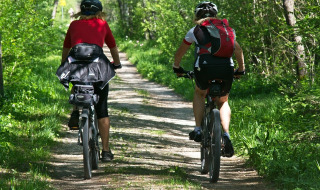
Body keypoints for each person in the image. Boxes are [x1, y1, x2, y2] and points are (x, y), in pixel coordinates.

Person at [173, 1, 245, 157]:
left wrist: (176, 67)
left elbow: (180, 53)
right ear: (215, 15)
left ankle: (198, 129)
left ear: (197, 15)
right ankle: (226, 135)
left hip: (204, 68)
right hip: (226, 68)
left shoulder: (195, 30)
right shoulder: (227, 30)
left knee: (200, 93)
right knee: (223, 101)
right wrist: (241, 70)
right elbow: (238, 49)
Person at [61, 0, 121, 162]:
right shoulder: (102, 24)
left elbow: (66, 49)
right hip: (98, 68)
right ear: (99, 12)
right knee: (102, 109)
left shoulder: (74, 25)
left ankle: (75, 110)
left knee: (76, 79)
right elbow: (113, 47)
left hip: (76, 66)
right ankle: (106, 151)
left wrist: (64, 64)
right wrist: (116, 64)